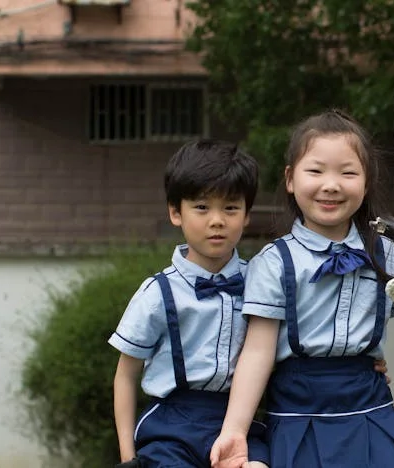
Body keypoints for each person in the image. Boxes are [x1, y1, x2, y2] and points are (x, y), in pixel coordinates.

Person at [209, 110, 394, 468]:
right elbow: (257, 353)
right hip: (300, 419)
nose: (331, 185)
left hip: (371, 411)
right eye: (315, 171)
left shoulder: (384, 252)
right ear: (290, 179)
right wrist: (235, 430)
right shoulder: (275, 261)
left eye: (347, 172)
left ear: (367, 181)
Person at [109, 140, 270, 468]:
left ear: (247, 215)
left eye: (230, 208)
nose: (217, 221)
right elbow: (125, 375)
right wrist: (128, 458)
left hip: (240, 420)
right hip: (171, 428)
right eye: (201, 207)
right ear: (175, 212)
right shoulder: (158, 293)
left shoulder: (263, 282)